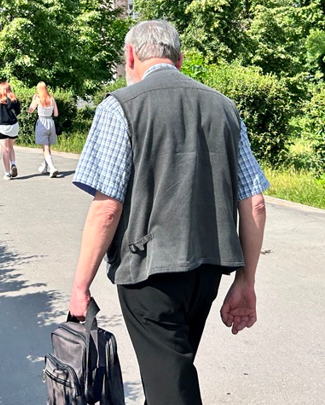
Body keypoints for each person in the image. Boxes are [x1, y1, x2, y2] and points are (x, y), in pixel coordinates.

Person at [68, 20, 269, 404]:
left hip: (148, 273)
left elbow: (107, 208)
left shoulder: (120, 107)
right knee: (170, 374)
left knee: (170, 387)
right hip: (207, 271)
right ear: (179, 58)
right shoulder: (223, 107)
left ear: (130, 56)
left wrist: (80, 287)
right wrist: (246, 280)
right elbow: (254, 203)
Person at [0, 82, 21, 180]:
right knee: (11, 147)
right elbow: (18, 112)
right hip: (14, 126)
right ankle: (13, 164)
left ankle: (7, 173)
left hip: (3, 128)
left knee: (5, 150)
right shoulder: (15, 101)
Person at [27, 81, 59, 177]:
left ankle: (52, 168)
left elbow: (30, 110)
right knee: (47, 146)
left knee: (45, 147)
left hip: (42, 123)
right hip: (50, 122)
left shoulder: (38, 99)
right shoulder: (52, 99)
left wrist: (33, 100)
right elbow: (56, 114)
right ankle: (45, 167)